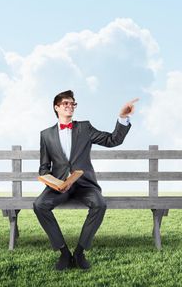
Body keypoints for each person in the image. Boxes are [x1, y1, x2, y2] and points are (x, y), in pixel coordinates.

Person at [33, 90, 138, 270]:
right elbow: (44, 168)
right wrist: (54, 183)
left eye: (73, 103)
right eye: (66, 103)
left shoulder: (85, 128)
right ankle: (64, 253)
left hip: (84, 185)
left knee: (100, 204)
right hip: (59, 187)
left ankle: (80, 252)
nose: (70, 106)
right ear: (56, 107)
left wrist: (122, 117)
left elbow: (112, 140)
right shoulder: (46, 135)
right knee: (39, 205)